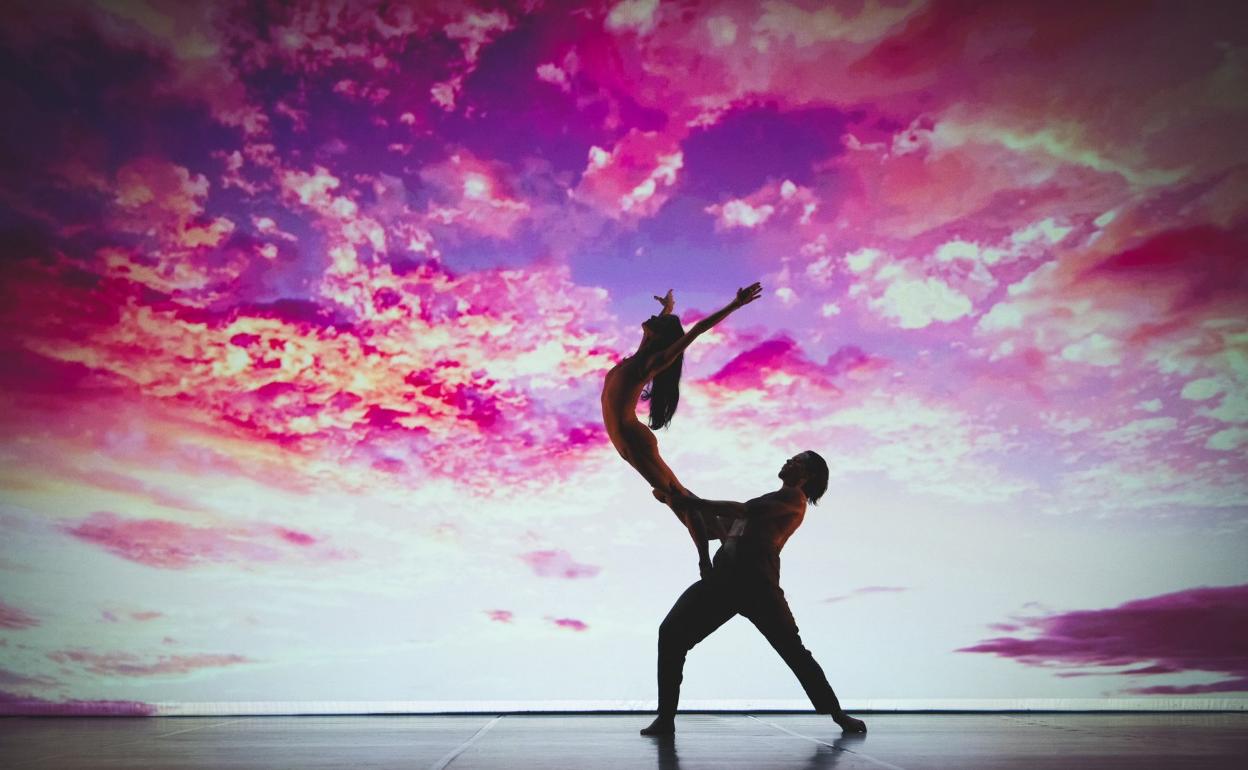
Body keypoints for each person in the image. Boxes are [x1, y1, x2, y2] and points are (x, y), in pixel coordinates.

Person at [639, 450, 868, 735]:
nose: (788, 461)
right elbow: (718, 529)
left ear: (806, 475)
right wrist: (686, 517)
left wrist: (690, 501)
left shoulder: (792, 499)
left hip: (757, 584)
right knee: (671, 633)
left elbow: (741, 511)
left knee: (793, 651)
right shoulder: (767, 500)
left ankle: (838, 715)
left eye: (796, 461)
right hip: (724, 580)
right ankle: (665, 719)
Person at [601, 283, 762, 575]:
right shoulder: (640, 355)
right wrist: (668, 309)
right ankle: (725, 531)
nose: (651, 319)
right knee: (675, 498)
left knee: (680, 499)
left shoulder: (649, 363)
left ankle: (723, 540)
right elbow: (660, 332)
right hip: (629, 440)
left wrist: (735, 305)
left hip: (633, 440)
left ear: (658, 335)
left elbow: (696, 330)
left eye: (657, 321)